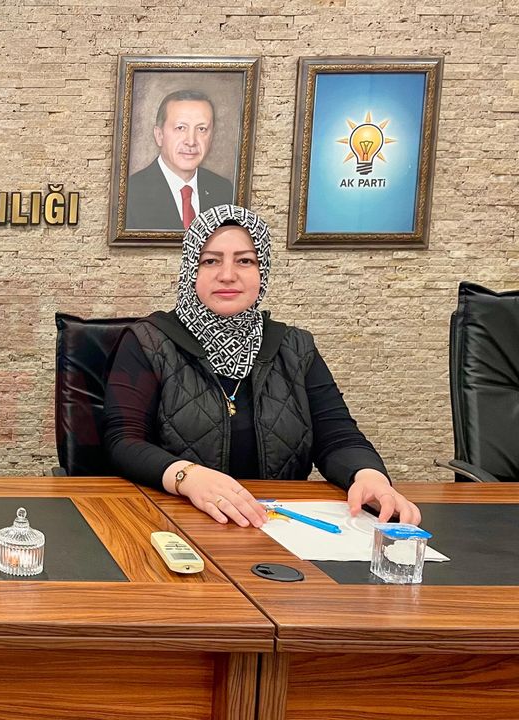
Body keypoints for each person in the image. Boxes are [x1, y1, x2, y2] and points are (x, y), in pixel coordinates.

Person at [103, 204, 421, 527]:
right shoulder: (149, 341)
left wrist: (369, 477)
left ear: (262, 270)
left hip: (275, 525)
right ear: (190, 269)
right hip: (175, 520)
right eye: (210, 260)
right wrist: (187, 476)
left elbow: (338, 437)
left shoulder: (295, 347)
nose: (228, 274)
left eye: (245, 261)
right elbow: (123, 442)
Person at [125, 89, 234, 230]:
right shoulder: (130, 193)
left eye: (201, 129)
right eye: (180, 128)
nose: (191, 141)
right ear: (159, 135)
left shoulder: (224, 190)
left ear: (211, 137)